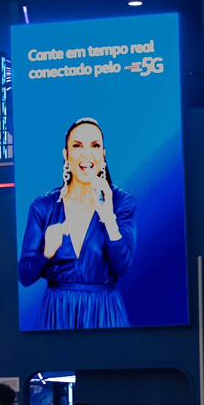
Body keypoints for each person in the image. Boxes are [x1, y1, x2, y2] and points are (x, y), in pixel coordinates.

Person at [18, 117, 137, 329]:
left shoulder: (121, 201)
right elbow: (25, 276)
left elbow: (123, 266)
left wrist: (108, 217)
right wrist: (46, 252)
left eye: (94, 146)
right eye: (77, 146)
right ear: (66, 154)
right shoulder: (43, 206)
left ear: (103, 155)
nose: (86, 154)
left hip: (104, 311)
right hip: (57, 312)